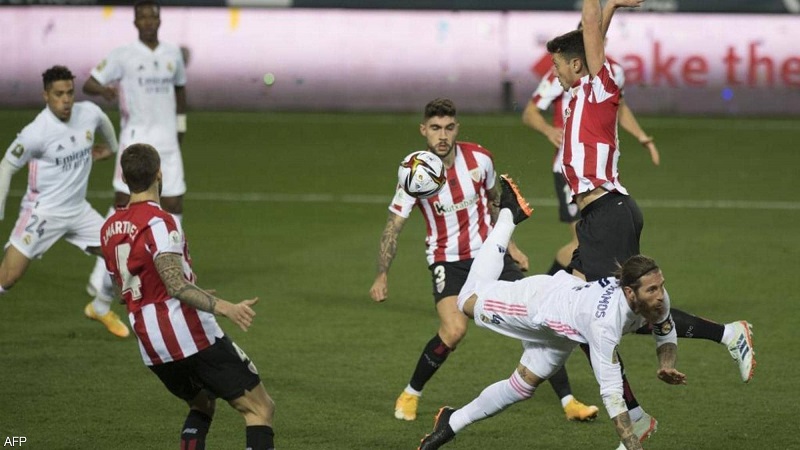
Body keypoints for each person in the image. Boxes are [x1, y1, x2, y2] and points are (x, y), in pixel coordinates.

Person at [546, 0, 754, 397]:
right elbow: (590, 35)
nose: (553, 73)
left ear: (576, 65)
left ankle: (727, 335)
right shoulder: (580, 93)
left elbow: (590, 29)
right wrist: (612, 8)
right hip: (597, 218)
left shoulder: (600, 88)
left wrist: (600, 8)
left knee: (618, 313)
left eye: (557, 65)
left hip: (608, 213)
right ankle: (615, 404)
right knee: (573, 312)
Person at [369, 98, 599, 424]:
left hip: (491, 253)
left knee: (538, 320)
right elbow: (394, 226)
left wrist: (511, 245)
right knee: (453, 330)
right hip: (447, 260)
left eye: (449, 127)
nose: (442, 135)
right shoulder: (415, 174)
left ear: (457, 128)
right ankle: (411, 392)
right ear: (424, 130)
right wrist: (382, 274)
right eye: (435, 128)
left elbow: (495, 204)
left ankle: (568, 402)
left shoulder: (480, 159)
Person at [418, 174, 688, 450]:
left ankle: (452, 421)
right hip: (538, 304)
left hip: (564, 331)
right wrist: (633, 445)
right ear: (630, 292)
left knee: (521, 386)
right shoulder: (604, 324)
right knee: (466, 300)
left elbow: (665, 329)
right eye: (652, 290)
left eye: (660, 286)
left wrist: (666, 363)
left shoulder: (655, 297)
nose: (660, 295)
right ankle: (509, 213)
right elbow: (613, 398)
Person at [100, 143, 276, 449]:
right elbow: (175, 286)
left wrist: (192, 289)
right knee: (260, 409)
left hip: (151, 346)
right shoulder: (159, 222)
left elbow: (124, 292)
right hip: (189, 336)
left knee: (202, 402)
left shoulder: (109, 229)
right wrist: (226, 307)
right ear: (159, 174)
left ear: (124, 179)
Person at [0, 65, 128, 338]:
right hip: (42, 213)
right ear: (46, 95)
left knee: (119, 253)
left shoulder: (88, 113)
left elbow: (102, 119)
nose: (66, 99)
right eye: (59, 94)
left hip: (78, 211)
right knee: (8, 278)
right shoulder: (36, 132)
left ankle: (100, 307)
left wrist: (112, 148)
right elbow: (6, 167)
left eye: (70, 92)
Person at [522, 23, 660, 278]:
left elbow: (620, 107)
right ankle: (555, 289)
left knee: (586, 248)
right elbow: (530, 113)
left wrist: (641, 135)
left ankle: (555, 289)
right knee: (584, 244)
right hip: (571, 171)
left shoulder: (613, 73)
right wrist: (549, 131)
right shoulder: (560, 72)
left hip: (598, 171)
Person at [83, 0, 188, 298]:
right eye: (142, 17)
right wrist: (104, 90)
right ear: (135, 22)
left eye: (152, 16)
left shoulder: (173, 54)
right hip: (135, 140)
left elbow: (180, 89)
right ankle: (101, 275)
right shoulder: (123, 55)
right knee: (123, 204)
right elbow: (90, 83)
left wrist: (181, 127)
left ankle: (174, 270)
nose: (148, 21)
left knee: (174, 204)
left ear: (159, 20)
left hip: (167, 142)